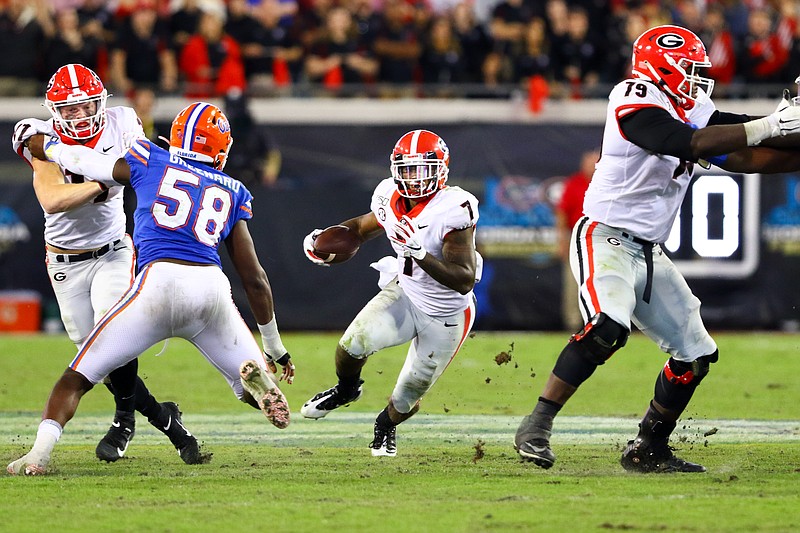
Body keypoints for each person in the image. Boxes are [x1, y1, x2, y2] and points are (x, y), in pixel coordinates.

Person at [513, 25, 800, 473]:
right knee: (608, 327)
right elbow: (687, 141)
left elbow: (747, 153)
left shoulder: (692, 106)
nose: (698, 79)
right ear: (660, 65)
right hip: (604, 236)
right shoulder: (633, 94)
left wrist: (791, 133)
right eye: (690, 69)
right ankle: (537, 424)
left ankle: (647, 447)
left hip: (649, 250)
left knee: (695, 356)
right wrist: (770, 124)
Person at [8, 101, 295, 476]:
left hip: (156, 287)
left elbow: (88, 162)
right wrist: (275, 346)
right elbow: (254, 277)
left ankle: (38, 456)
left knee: (77, 377)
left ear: (174, 137)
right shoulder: (234, 190)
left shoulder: (149, 158)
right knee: (246, 386)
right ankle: (259, 383)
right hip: (210, 293)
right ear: (222, 151)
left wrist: (52, 149)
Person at [11, 63, 201, 465]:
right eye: (69, 109)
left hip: (113, 249)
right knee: (95, 354)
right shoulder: (38, 135)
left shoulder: (123, 121)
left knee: (112, 333)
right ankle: (162, 416)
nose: (79, 115)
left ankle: (124, 419)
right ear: (53, 110)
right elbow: (52, 200)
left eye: (86, 106)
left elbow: (144, 167)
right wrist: (106, 181)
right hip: (64, 260)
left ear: (101, 102)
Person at [300, 129, 480, 457]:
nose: (413, 177)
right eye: (407, 168)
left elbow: (464, 279)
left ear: (441, 169)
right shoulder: (387, 195)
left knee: (408, 394)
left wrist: (420, 254)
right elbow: (360, 228)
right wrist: (326, 240)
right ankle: (346, 390)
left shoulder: (455, 207)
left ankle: (385, 424)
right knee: (352, 343)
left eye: (422, 168)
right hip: (406, 294)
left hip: (447, 314)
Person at [555, 148, 598, 332]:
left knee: (599, 282)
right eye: (589, 162)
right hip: (576, 237)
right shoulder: (574, 183)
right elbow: (562, 213)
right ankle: (572, 324)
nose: (591, 167)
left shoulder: (606, 182)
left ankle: (597, 323)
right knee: (573, 284)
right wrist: (562, 241)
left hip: (600, 237)